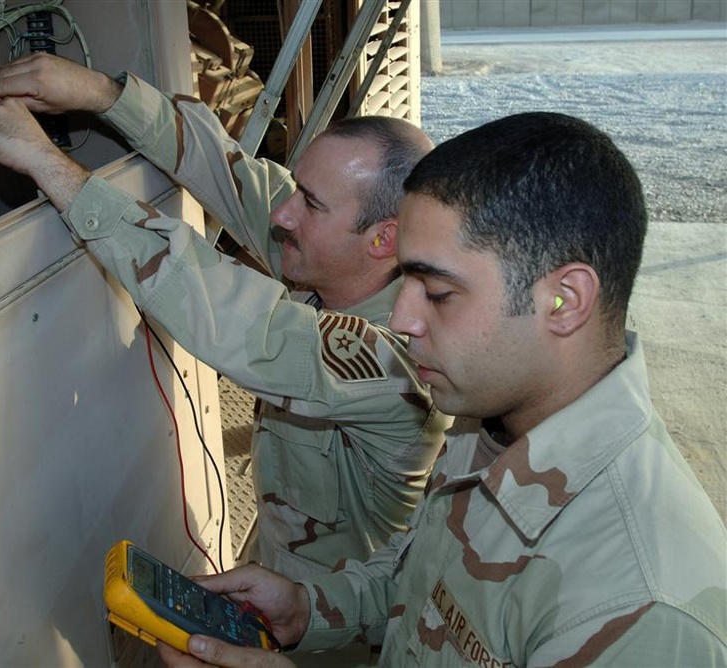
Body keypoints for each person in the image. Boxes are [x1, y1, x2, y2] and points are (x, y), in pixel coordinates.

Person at [151, 111, 727, 667]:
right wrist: (308, 609)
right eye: (405, 278)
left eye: (439, 292)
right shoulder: (490, 415)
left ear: (564, 300)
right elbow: (421, 583)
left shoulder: (642, 605)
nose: (400, 318)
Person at [0, 54, 449, 584]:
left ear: (384, 239)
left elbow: (227, 309)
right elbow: (227, 170)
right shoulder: (343, 257)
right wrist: (97, 91)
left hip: (337, 621)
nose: (284, 213)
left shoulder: (401, 354)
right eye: (297, 189)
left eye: (312, 204)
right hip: (277, 558)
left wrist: (44, 160)